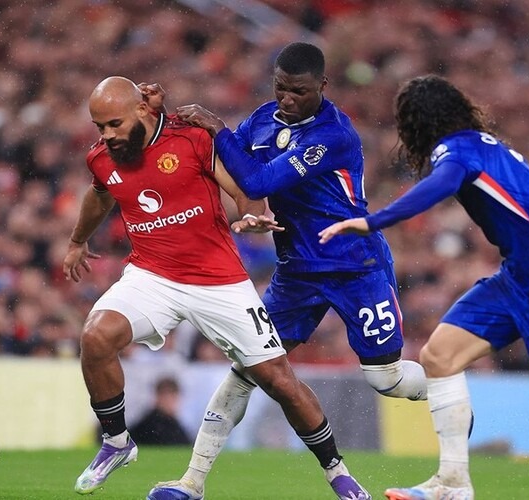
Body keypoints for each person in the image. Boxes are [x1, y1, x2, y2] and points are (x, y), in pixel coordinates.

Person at [318, 74, 529, 500]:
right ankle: (452, 482)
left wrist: (373, 221)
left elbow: (443, 183)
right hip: (521, 278)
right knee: (439, 356)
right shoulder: (491, 147)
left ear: (417, 123)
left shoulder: (455, 151)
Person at [64, 76, 370, 500]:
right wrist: (78, 241)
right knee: (96, 335)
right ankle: (117, 441)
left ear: (141, 110)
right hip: (152, 275)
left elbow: (245, 188)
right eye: (100, 127)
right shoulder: (101, 158)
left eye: (115, 124)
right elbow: (100, 195)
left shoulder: (190, 139)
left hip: (218, 280)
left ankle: (337, 471)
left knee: (278, 380)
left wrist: (251, 213)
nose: (108, 135)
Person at [156, 41, 426, 498]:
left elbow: (258, 179)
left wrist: (218, 128)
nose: (287, 98)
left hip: (354, 266)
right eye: (280, 87)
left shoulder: (334, 135)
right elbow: (235, 169)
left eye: (298, 91)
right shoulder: (262, 119)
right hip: (296, 272)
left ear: (322, 85)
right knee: (248, 368)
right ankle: (192, 482)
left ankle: (444, 389)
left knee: (387, 379)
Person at [129, 377, 191, 446]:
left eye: (173, 396)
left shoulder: (174, 424)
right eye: (165, 396)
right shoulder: (149, 426)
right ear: (158, 397)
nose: (169, 401)